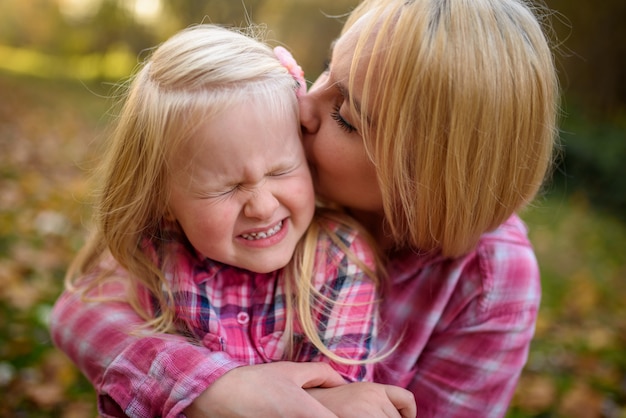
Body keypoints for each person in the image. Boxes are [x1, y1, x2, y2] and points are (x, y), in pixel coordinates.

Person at [50, 0, 559, 416]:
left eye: (347, 117)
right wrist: (212, 388)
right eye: (326, 70)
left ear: (427, 179)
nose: (303, 104)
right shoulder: (271, 168)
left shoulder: (491, 282)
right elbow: (84, 311)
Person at [49, 23, 415, 417]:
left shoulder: (338, 259)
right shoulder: (156, 252)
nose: (260, 205)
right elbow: (76, 318)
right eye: (225, 188)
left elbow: (333, 397)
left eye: (280, 171)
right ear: (163, 199)